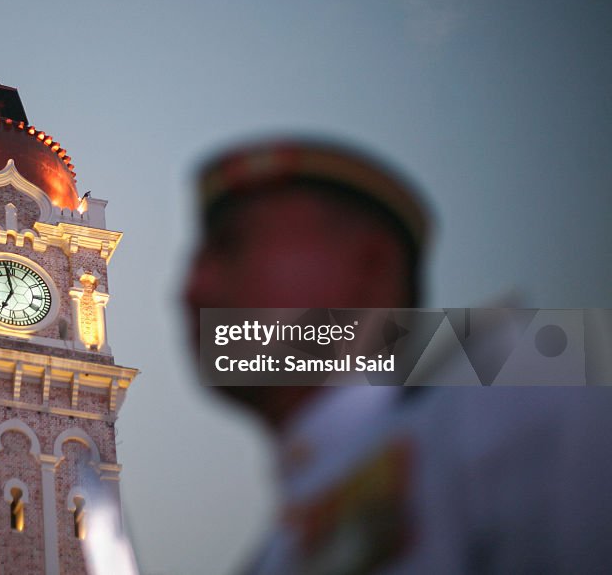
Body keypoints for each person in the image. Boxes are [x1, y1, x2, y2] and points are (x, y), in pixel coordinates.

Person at [182, 138, 612, 574]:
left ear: (368, 268)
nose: (191, 290)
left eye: (230, 247)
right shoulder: (274, 553)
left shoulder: (501, 400)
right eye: (194, 263)